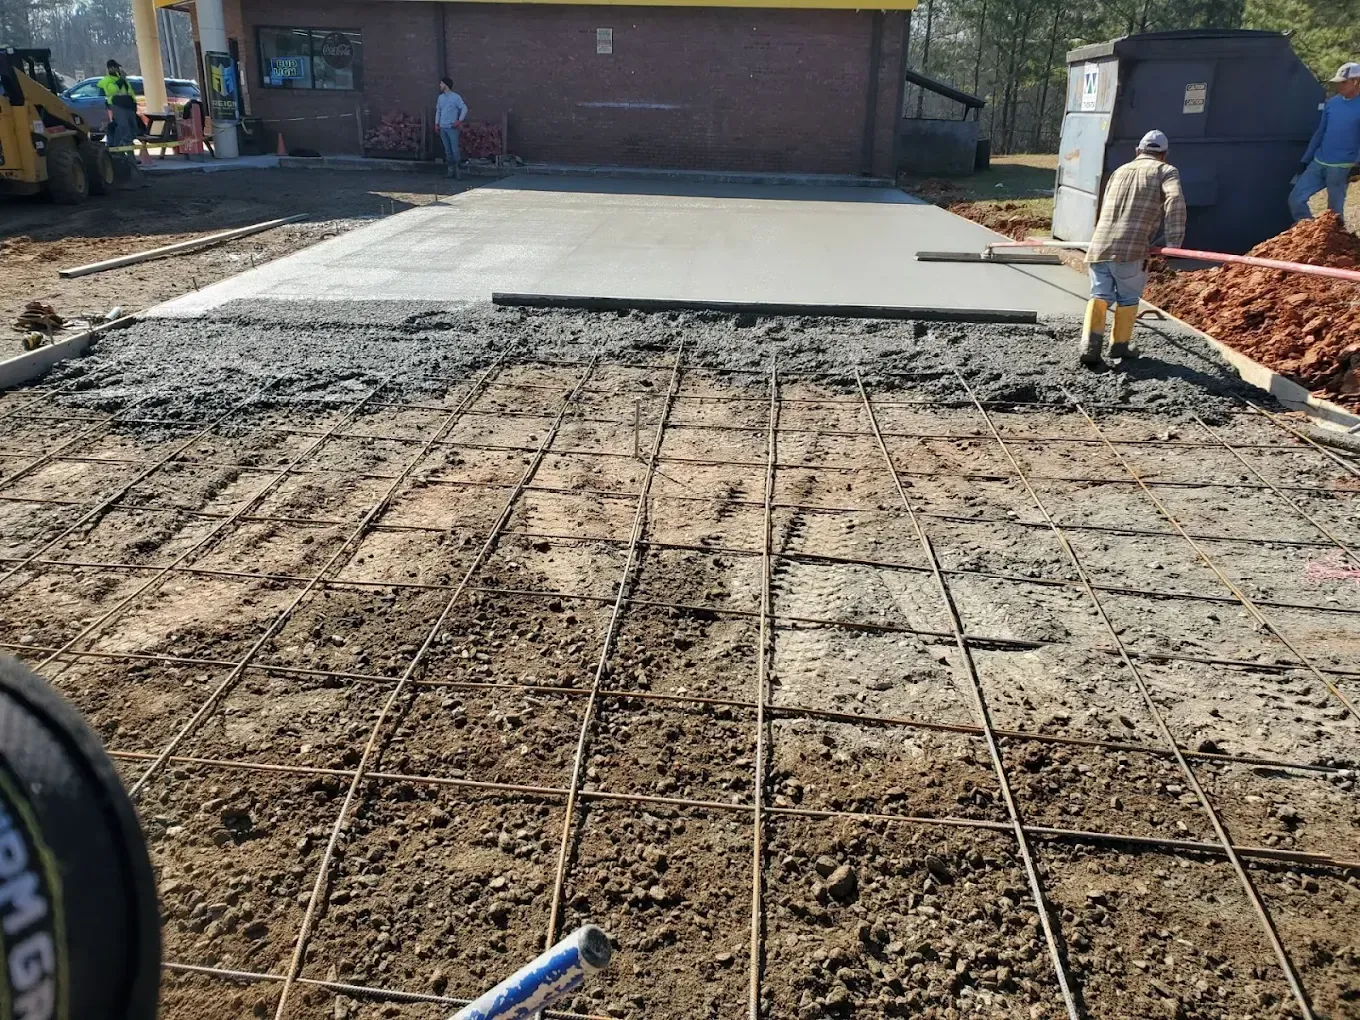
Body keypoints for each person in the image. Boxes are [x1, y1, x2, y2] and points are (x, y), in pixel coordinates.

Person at [1080, 129, 1186, 366]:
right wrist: (1174, 243)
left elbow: (1104, 204)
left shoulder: (1119, 171)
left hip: (1099, 246)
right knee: (1128, 297)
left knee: (1099, 294)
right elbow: (1175, 201)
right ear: (1164, 154)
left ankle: (1089, 345)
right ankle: (1119, 345)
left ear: (1137, 151)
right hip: (1131, 248)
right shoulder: (1165, 171)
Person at [1288, 62, 1360, 221]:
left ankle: (1334, 243)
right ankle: (1310, 234)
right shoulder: (1333, 103)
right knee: (1296, 199)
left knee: (1333, 214)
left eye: (1343, 82)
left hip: (1342, 168)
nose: (1338, 86)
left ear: (1355, 82)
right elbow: (1320, 132)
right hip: (1319, 162)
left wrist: (1357, 165)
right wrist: (1306, 159)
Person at [97, 59, 139, 152]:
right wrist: (121, 80)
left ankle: (120, 149)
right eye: (116, 67)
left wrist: (134, 103)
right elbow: (112, 91)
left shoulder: (123, 79)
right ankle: (127, 156)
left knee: (133, 129)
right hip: (117, 105)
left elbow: (130, 92)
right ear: (110, 68)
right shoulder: (107, 80)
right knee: (124, 129)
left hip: (128, 105)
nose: (118, 69)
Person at [435, 77, 468, 179]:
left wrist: (459, 120)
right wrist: (436, 123)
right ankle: (450, 170)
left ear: (446, 84)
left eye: (441, 83)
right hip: (443, 127)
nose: (440, 85)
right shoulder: (440, 98)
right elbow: (438, 111)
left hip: (452, 127)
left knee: (454, 149)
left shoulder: (455, 97)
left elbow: (464, 108)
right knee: (447, 150)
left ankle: (458, 171)